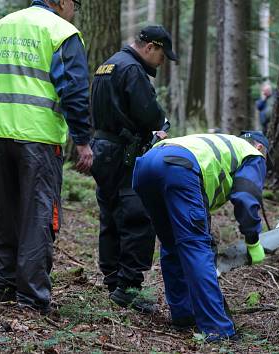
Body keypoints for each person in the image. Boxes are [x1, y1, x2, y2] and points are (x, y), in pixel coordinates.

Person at [0, 0, 92, 314]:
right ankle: (32, 298)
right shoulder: (61, 32)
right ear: (62, 2)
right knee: (38, 217)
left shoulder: (2, 25)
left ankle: (2, 286)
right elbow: (75, 91)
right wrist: (82, 141)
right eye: (75, 4)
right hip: (37, 138)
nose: (74, 10)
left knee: (3, 213)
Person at [132, 131, 269, 341]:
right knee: (195, 247)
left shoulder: (219, 143)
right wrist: (253, 240)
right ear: (260, 147)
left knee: (172, 245)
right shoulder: (252, 155)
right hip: (179, 169)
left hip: (145, 167)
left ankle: (184, 315)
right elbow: (245, 197)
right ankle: (218, 329)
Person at [90, 25, 176, 313]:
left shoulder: (108, 64)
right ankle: (127, 288)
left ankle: (114, 279)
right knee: (136, 215)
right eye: (163, 55)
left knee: (111, 214)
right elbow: (148, 113)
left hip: (102, 149)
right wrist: (160, 127)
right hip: (125, 152)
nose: (163, 62)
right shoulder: (132, 70)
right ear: (150, 46)